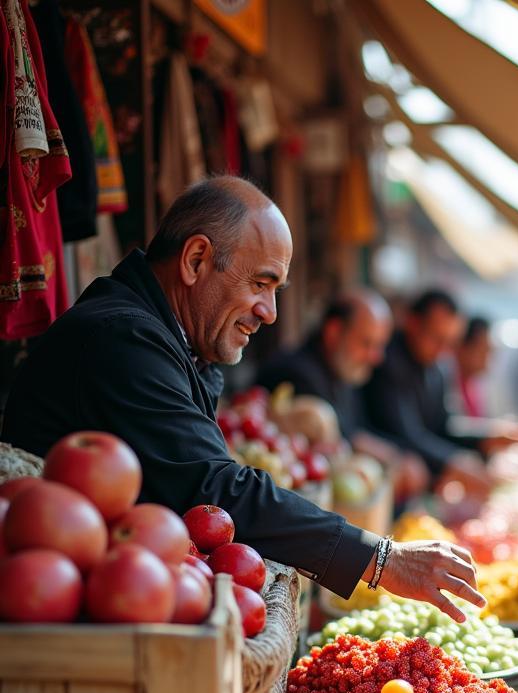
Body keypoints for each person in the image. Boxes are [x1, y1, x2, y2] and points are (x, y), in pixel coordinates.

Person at [0, 176, 483, 620]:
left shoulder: (164, 336)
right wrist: (379, 558)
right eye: (260, 284)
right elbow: (216, 488)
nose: (269, 313)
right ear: (195, 261)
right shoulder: (123, 339)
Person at [256, 293, 430, 502]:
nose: (377, 357)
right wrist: (394, 459)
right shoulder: (295, 374)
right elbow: (335, 443)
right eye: (367, 343)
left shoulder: (342, 372)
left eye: (380, 345)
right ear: (334, 332)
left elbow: (356, 429)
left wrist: (397, 456)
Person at [362, 289, 518, 496]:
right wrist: (454, 463)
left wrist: (487, 436)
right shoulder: (386, 361)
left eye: (450, 342)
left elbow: (444, 425)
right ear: (412, 322)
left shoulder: (437, 368)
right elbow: (406, 434)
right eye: (436, 338)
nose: (442, 350)